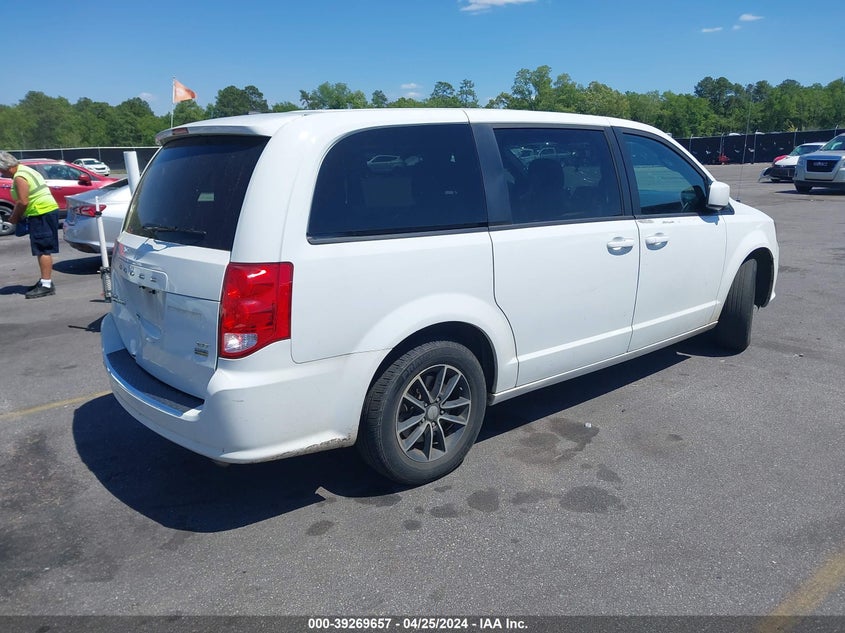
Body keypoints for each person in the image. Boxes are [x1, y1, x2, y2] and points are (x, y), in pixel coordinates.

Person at [0, 151, 60, 298]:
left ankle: (46, 285)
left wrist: (14, 218)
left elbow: (23, 201)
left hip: (41, 212)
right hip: (45, 210)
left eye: (1, 170)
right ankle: (44, 281)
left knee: (43, 248)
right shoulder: (25, 170)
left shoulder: (20, 177)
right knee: (42, 248)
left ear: (7, 167)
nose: (1, 174)